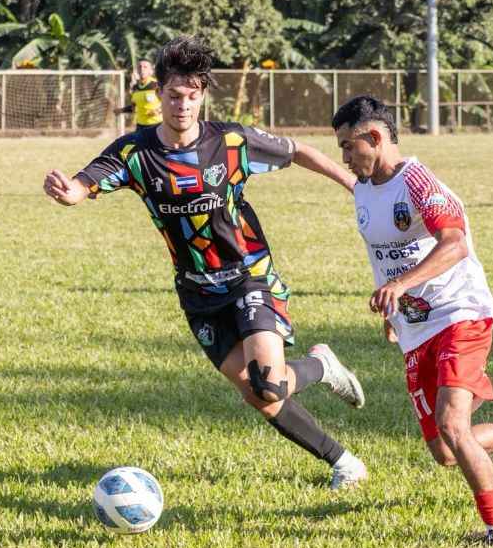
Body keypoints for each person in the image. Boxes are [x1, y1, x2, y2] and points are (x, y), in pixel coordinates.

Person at [44, 36, 368, 489]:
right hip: (196, 290)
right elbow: (86, 182)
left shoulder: (231, 142)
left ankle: (322, 382)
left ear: (201, 97)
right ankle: (342, 454)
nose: (183, 105)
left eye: (192, 96)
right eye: (174, 95)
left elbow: (297, 152)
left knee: (269, 383)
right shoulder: (136, 154)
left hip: (249, 274)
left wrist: (352, 185)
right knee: (259, 396)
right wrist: (69, 192)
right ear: (158, 94)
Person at [332, 95, 493, 545]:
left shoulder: (420, 183)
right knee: (445, 451)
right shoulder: (364, 189)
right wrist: (393, 308)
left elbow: (455, 243)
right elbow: (383, 254)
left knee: (453, 425)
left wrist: (401, 285)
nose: (345, 157)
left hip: (460, 312)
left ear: (375, 137)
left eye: (349, 146)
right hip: (415, 326)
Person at [114, 59, 162, 130]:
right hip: (140, 126)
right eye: (139, 67)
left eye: (145, 67)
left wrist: (158, 111)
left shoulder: (156, 85)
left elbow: (169, 103)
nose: (142, 69)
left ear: (151, 71)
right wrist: (121, 110)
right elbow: (134, 107)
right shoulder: (135, 88)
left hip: (156, 125)